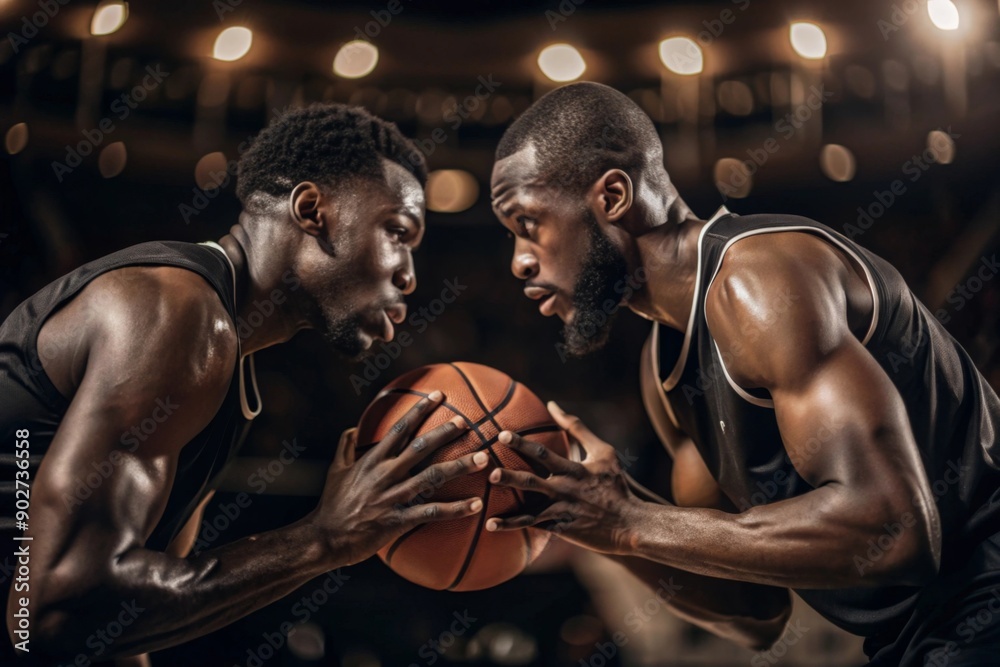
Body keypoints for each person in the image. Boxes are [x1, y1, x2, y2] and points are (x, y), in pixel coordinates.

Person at [486, 81, 1000, 665]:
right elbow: (753, 611)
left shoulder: (760, 280)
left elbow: (893, 531)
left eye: (528, 224)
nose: (519, 262)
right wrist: (601, 526)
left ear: (611, 197)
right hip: (920, 638)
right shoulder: (664, 370)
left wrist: (630, 521)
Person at [0, 103, 487, 664]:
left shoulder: (224, 365)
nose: (409, 274)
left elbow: (123, 630)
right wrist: (323, 540)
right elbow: (46, 612)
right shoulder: (174, 313)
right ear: (312, 210)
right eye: (398, 233)